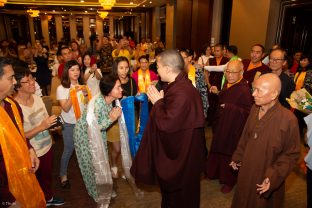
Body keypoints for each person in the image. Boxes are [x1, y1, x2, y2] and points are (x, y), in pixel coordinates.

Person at [130, 49, 206, 208]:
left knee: (180, 198)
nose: (156, 70)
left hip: (183, 157)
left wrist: (158, 103)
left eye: (157, 66)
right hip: (184, 151)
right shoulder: (177, 85)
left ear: (168, 69)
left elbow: (167, 124)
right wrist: (162, 101)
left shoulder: (182, 92)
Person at [230, 73, 301, 208]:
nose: (253, 94)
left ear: (274, 94)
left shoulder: (288, 120)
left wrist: (274, 177)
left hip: (265, 176)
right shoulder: (255, 109)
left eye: (259, 91)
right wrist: (238, 156)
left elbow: (291, 155)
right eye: (254, 89)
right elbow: (246, 135)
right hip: (247, 170)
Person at [13, 62, 65, 206]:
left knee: (47, 176)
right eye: (27, 80)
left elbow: (44, 120)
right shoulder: (15, 107)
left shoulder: (37, 98)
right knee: (34, 180)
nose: (32, 82)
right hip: (31, 151)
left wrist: (50, 127)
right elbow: (18, 137)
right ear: (17, 85)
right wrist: (42, 127)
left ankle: (48, 198)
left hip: (47, 146)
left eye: (32, 78)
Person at [0, 57, 45, 207]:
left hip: (25, 172)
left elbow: (19, 135)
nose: (14, 82)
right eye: (11, 78)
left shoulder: (11, 105)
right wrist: (7, 198)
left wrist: (30, 149)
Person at [73, 74, 122, 206]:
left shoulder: (109, 100)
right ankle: (96, 193)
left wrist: (111, 117)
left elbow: (100, 126)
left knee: (102, 161)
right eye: (118, 87)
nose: (121, 89)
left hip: (99, 135)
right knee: (90, 166)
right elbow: (93, 128)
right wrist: (111, 119)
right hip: (84, 136)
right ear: (109, 91)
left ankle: (105, 188)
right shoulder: (98, 104)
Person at [206, 60, 253, 194]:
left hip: (233, 128)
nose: (230, 75)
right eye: (228, 72)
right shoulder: (230, 84)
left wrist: (229, 108)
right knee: (217, 146)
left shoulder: (244, 89)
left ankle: (229, 181)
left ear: (241, 73)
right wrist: (218, 93)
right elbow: (227, 97)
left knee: (229, 152)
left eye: (234, 72)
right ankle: (213, 172)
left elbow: (247, 112)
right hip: (223, 123)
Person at [57, 60, 90, 188]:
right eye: (72, 70)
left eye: (77, 69)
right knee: (69, 149)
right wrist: (73, 93)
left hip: (82, 122)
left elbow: (86, 104)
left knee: (84, 148)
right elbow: (65, 108)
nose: (76, 72)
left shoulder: (82, 85)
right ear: (67, 72)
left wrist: (86, 95)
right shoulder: (62, 88)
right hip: (69, 123)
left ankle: (87, 173)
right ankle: (63, 174)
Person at [107, 56, 138, 178]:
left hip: (130, 117)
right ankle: (114, 164)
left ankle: (127, 167)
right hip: (115, 119)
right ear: (116, 68)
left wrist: (135, 98)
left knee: (129, 145)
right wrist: (119, 99)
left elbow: (134, 96)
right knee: (117, 148)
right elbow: (106, 100)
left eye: (126, 67)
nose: (124, 71)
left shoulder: (132, 81)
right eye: (121, 68)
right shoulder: (110, 82)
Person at [180, 49, 208, 118]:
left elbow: (203, 92)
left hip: (196, 108)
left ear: (189, 58)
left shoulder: (197, 72)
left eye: (182, 58)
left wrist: (203, 112)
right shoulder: (178, 72)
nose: (179, 61)